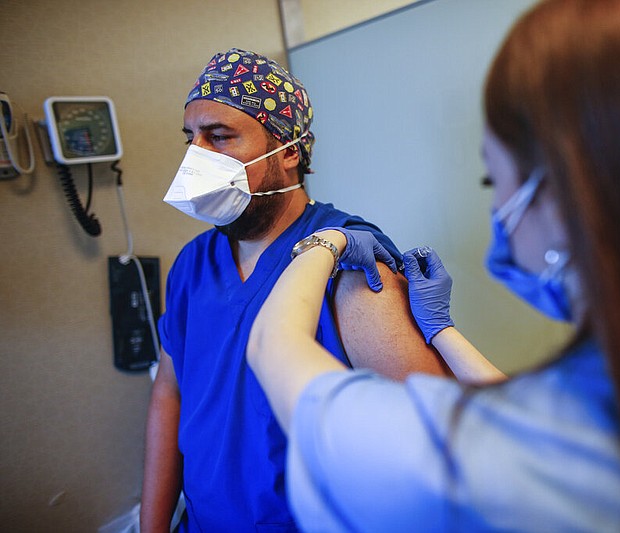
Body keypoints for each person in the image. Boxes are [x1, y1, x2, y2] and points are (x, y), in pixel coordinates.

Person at [246, 0, 620, 531]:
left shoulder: (495, 463)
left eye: (493, 179)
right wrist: (442, 332)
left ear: (565, 192)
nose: (495, 209)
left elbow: (275, 350)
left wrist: (323, 245)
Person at [140, 48, 451, 532]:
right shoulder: (192, 265)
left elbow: (437, 436)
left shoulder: (349, 267)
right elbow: (170, 392)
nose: (195, 156)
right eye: (191, 138)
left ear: (288, 151)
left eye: (219, 137)